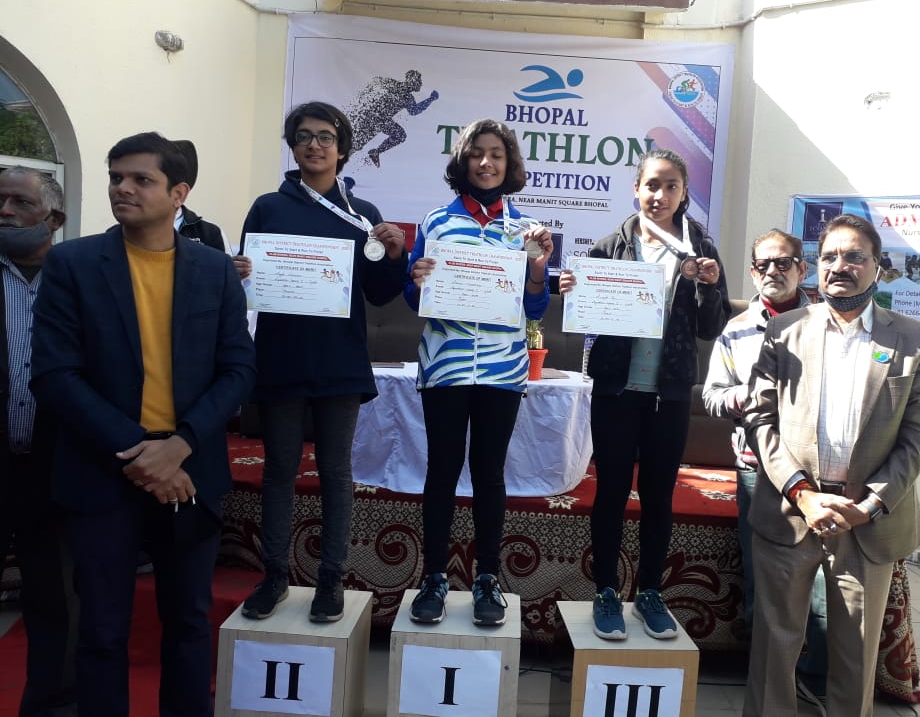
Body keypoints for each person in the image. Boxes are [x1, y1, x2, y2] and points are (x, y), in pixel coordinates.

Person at [30, 132, 256, 717]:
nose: (122, 189)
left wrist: (180, 445)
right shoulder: (73, 264)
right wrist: (142, 451)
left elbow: (238, 369)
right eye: (116, 178)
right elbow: (54, 375)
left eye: (140, 180)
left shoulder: (214, 270)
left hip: (190, 470)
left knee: (189, 623)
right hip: (101, 469)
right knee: (101, 629)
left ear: (179, 193)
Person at [742, 213, 920, 717]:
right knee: (774, 651)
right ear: (816, 267)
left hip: (866, 522)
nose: (839, 266)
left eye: (854, 256)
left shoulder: (915, 340)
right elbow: (760, 419)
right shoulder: (785, 330)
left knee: (856, 655)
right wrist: (802, 494)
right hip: (791, 512)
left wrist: (869, 505)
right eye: (829, 256)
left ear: (877, 266)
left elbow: (919, 435)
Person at [239, 102, 408, 623]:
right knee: (279, 471)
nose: (314, 145)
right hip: (281, 357)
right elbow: (251, 284)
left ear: (342, 148)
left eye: (325, 137)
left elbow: (380, 294)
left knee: (336, 472)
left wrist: (395, 255)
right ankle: (274, 577)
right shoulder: (267, 208)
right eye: (304, 136)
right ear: (292, 147)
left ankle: (330, 581)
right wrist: (238, 272)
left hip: (339, 360)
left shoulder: (364, 214)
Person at [559, 148, 731, 641]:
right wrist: (573, 291)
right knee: (611, 492)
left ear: (684, 193)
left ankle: (651, 592)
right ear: (636, 189)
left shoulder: (699, 248)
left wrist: (709, 287)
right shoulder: (609, 246)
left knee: (658, 496)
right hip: (616, 391)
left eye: (671, 185)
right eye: (651, 184)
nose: (660, 194)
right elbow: (586, 317)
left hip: (669, 395)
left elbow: (711, 327)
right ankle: (606, 593)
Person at [405, 118, 552, 626]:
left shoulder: (526, 230)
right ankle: (434, 577)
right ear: (463, 161)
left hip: (501, 370)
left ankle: (487, 577)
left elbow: (534, 309)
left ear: (509, 164)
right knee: (442, 471)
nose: (486, 162)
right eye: (476, 154)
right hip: (445, 366)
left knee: (490, 474)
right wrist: (416, 279)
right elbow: (413, 300)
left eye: (496, 154)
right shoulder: (435, 222)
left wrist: (538, 270)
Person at [702, 229, 828, 701]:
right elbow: (711, 396)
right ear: (753, 272)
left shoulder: (829, 323)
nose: (772, 271)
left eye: (783, 263)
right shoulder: (735, 330)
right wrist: (745, 396)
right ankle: (768, 685)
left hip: (821, 472)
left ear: (802, 268)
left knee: (824, 589)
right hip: (759, 471)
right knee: (763, 582)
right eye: (762, 265)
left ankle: (816, 681)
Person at [0, 167, 76, 715]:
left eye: (19, 202)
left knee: (53, 599)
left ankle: (49, 702)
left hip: (55, 467)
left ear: (54, 218)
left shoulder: (80, 282)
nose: (5, 211)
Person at [346, 70, 439, 168]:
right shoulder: (395, 85)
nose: (421, 84)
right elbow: (376, 81)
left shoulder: (408, 97)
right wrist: (363, 100)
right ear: (413, 81)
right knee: (356, 143)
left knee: (400, 135)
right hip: (372, 117)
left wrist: (430, 99)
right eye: (419, 81)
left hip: (381, 120)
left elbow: (414, 111)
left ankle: (376, 152)